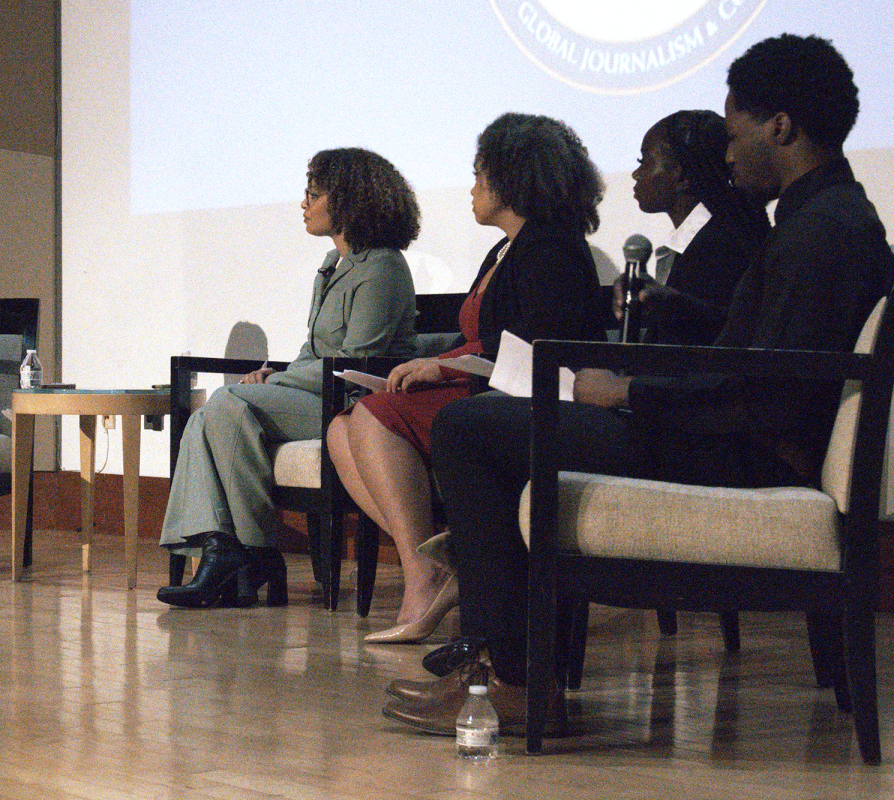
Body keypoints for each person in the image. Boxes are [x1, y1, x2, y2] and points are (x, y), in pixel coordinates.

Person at [383, 33, 894, 735]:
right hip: (735, 438)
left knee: (469, 428)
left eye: (735, 129)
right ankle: (504, 667)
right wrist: (667, 334)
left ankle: (509, 681)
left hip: (744, 457)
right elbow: (756, 353)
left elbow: (768, 393)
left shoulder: (819, 233)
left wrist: (626, 393)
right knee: (498, 420)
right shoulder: (824, 217)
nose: (727, 150)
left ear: (781, 125)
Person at [326, 114, 605, 642]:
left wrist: (443, 365)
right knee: (341, 428)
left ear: (512, 178)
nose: (472, 189)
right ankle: (437, 567)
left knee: (371, 417)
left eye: (480, 175)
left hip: (521, 396)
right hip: (484, 383)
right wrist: (435, 362)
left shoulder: (551, 246)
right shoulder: (504, 248)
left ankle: (432, 577)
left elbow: (540, 342)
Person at [157, 148, 421, 609]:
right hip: (314, 391)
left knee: (224, 404)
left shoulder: (383, 268)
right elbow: (312, 353)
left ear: (348, 202)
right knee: (210, 415)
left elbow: (353, 361)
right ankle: (230, 552)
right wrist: (273, 374)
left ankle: (249, 554)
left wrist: (277, 385)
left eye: (313, 194)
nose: (305, 204)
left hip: (350, 402)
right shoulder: (331, 267)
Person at [622, 109, 770, 346]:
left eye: (645, 162)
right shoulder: (716, 235)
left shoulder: (716, 248)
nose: (636, 174)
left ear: (683, 177)